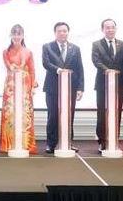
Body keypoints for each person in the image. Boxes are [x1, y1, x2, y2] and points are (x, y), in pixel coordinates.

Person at [42, 22, 84, 154]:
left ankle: (68, 142)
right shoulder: (47, 46)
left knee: (69, 116)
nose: (62, 33)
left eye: (64, 31)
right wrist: (59, 70)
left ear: (68, 32)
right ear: (55, 33)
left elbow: (79, 69)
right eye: (59, 31)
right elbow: (46, 63)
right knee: (53, 116)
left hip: (70, 88)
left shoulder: (75, 48)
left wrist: (80, 88)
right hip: (52, 88)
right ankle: (51, 143)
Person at [0, 24, 37, 154]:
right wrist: (18, 69)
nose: (16, 37)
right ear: (11, 36)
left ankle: (26, 144)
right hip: (11, 86)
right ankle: (9, 144)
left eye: (19, 34)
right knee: (10, 113)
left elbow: (32, 70)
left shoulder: (28, 52)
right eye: (14, 34)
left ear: (23, 36)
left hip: (25, 86)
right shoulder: (6, 52)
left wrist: (32, 86)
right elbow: (10, 67)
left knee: (24, 114)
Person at [91, 18, 123, 152]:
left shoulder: (122, 45)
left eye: (112, 27)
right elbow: (96, 61)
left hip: (118, 84)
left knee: (117, 112)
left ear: (115, 29)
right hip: (102, 84)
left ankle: (114, 139)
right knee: (102, 113)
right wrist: (107, 70)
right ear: (103, 29)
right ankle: (102, 141)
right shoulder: (97, 44)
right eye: (107, 27)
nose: (110, 30)